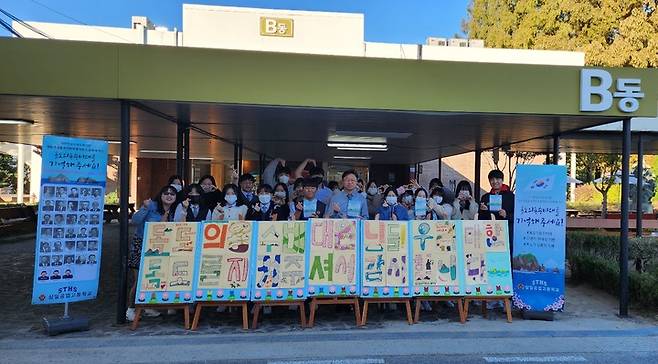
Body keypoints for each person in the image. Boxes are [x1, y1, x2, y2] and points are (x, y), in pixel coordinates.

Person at [126, 185, 178, 321]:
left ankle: (148, 306)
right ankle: (131, 309)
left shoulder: (174, 211)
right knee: (139, 279)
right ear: (160, 195)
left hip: (159, 247)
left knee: (153, 277)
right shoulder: (151, 206)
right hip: (142, 244)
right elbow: (135, 220)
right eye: (166, 193)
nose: (169, 196)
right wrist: (144, 207)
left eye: (172, 194)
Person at [479, 170, 515, 254]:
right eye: (492, 179)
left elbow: (517, 216)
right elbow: (480, 218)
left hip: (507, 232)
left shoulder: (511, 196)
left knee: (507, 255)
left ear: (502, 180)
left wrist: (507, 215)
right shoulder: (485, 197)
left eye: (497, 179)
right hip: (490, 232)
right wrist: (483, 211)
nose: (495, 182)